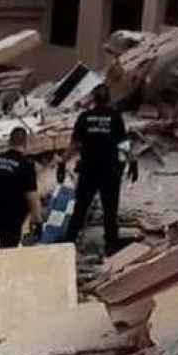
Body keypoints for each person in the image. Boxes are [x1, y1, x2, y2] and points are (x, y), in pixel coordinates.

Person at [62, 89, 136, 254]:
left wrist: (62, 161)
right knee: (110, 209)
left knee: (80, 208)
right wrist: (133, 161)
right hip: (109, 171)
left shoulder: (84, 117)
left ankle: (69, 241)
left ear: (94, 99)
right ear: (109, 99)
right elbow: (123, 143)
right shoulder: (115, 117)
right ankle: (111, 243)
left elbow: (73, 144)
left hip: (88, 170)